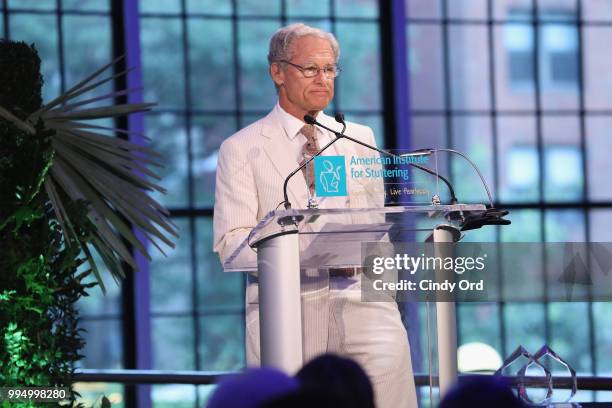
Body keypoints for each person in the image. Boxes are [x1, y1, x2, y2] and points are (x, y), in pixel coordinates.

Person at [213, 23, 416, 408]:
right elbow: (231, 245)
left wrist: (384, 291)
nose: (323, 79)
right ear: (277, 72)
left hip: (366, 306)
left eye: (330, 69)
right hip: (289, 309)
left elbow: (377, 229)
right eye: (310, 69)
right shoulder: (242, 148)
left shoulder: (358, 139)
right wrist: (304, 254)